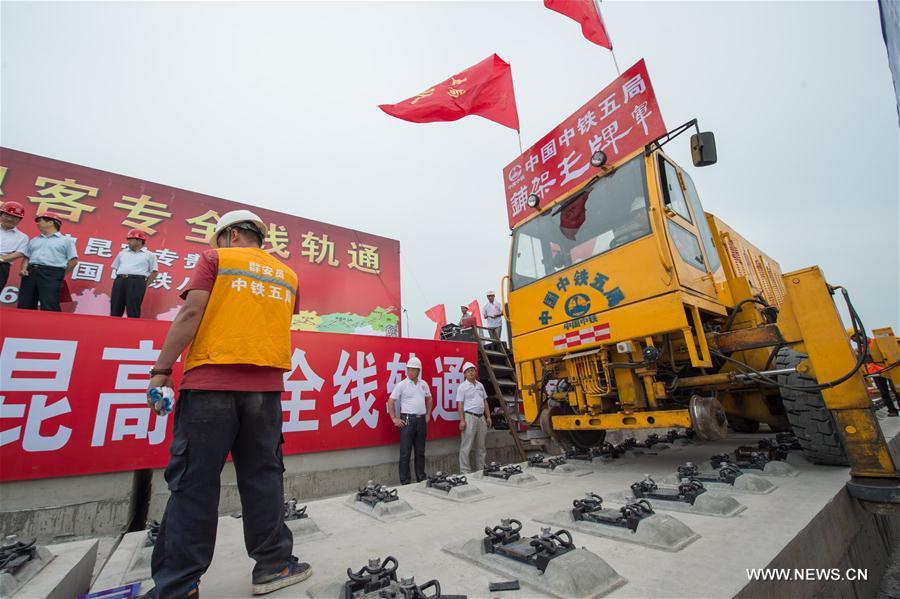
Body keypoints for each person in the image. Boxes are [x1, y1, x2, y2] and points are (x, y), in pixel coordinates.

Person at [143, 210, 309, 598]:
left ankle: (180, 585)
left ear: (231, 235)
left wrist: (162, 368)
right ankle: (274, 566)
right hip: (265, 391)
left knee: (194, 483)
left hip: (211, 385)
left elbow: (191, 312)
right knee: (264, 478)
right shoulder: (288, 274)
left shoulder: (216, 259)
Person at [17, 211, 77, 311]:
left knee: (49, 303)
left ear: (51, 222)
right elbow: (27, 257)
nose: (38, 223)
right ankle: (24, 324)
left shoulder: (66, 241)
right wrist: (23, 269)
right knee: (25, 303)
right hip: (30, 273)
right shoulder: (34, 240)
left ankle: (51, 326)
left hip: (52, 273)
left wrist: (60, 276)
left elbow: (73, 261)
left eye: (40, 221)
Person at [387, 357, 433, 484]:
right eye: (409, 369)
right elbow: (391, 401)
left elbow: (429, 398)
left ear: (418, 371)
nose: (411, 372)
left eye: (413, 370)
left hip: (421, 420)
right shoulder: (402, 385)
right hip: (407, 420)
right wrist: (394, 418)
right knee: (405, 453)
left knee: (420, 452)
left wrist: (428, 414)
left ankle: (421, 478)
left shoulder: (423, 384)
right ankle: (405, 481)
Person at [110, 229, 159, 318]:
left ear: (139, 240)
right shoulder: (122, 253)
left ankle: (132, 330)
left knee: (133, 310)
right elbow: (116, 268)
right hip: (120, 281)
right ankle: (112, 329)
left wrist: (143, 285)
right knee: (115, 308)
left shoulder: (150, 255)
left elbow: (154, 272)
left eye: (130, 239)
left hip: (137, 282)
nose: (128, 242)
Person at [457, 361, 491, 473]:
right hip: (469, 417)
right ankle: (465, 472)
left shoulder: (480, 385)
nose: (471, 373)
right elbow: (460, 404)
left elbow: (485, 401)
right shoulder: (462, 387)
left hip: (481, 418)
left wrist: (488, 417)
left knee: (481, 446)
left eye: (473, 371)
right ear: (465, 374)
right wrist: (462, 420)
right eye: (468, 371)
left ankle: (481, 469)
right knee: (466, 446)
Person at [0, 201, 29, 290]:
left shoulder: (23, 237)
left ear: (20, 220)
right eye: (7, 215)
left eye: (14, 217)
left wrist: (1, 258)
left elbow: (19, 253)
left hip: (2, 266)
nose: (10, 219)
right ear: (1, 215)